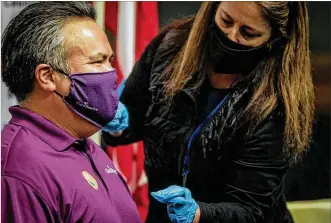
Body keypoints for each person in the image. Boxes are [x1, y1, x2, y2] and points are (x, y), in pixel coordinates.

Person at [102, 1, 315, 223]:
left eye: (248, 32)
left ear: (274, 39)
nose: (231, 36)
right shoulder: (170, 48)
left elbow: (251, 210)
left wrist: (198, 214)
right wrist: (117, 124)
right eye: (226, 20)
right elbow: (135, 115)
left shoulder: (277, 103)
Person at [1, 2, 140, 223]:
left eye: (110, 61)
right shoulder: (20, 170)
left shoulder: (85, 146)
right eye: (97, 61)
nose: (112, 74)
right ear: (47, 76)